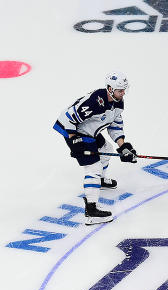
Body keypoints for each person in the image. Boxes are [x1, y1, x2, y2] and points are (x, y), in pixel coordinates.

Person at [53, 71, 138, 225]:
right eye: (120, 90)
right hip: (76, 132)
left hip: (90, 131)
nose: (123, 93)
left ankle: (100, 180)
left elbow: (115, 125)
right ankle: (91, 211)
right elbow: (66, 118)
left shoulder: (118, 102)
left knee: (107, 149)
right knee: (93, 167)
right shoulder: (94, 102)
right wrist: (75, 141)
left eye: (124, 89)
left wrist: (123, 146)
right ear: (110, 89)